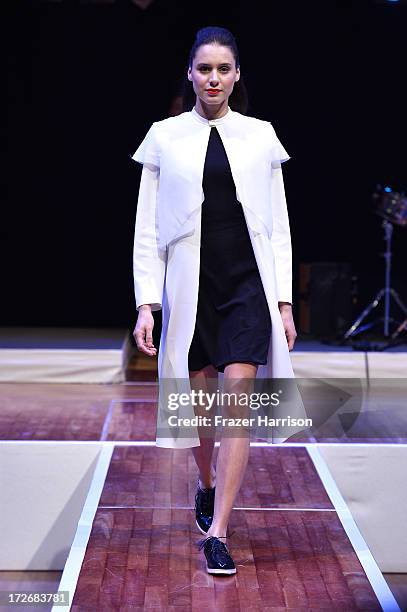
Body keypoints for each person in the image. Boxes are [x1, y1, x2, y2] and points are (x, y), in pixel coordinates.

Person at [132, 26, 297, 575]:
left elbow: (278, 227)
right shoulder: (164, 136)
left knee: (238, 400)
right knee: (201, 407)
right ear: (190, 73)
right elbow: (148, 229)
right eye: (205, 69)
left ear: (237, 75)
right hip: (192, 286)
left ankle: (219, 531)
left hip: (249, 284)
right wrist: (146, 303)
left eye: (224, 69)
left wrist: (286, 302)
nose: (214, 79)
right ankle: (205, 484)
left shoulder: (259, 135)